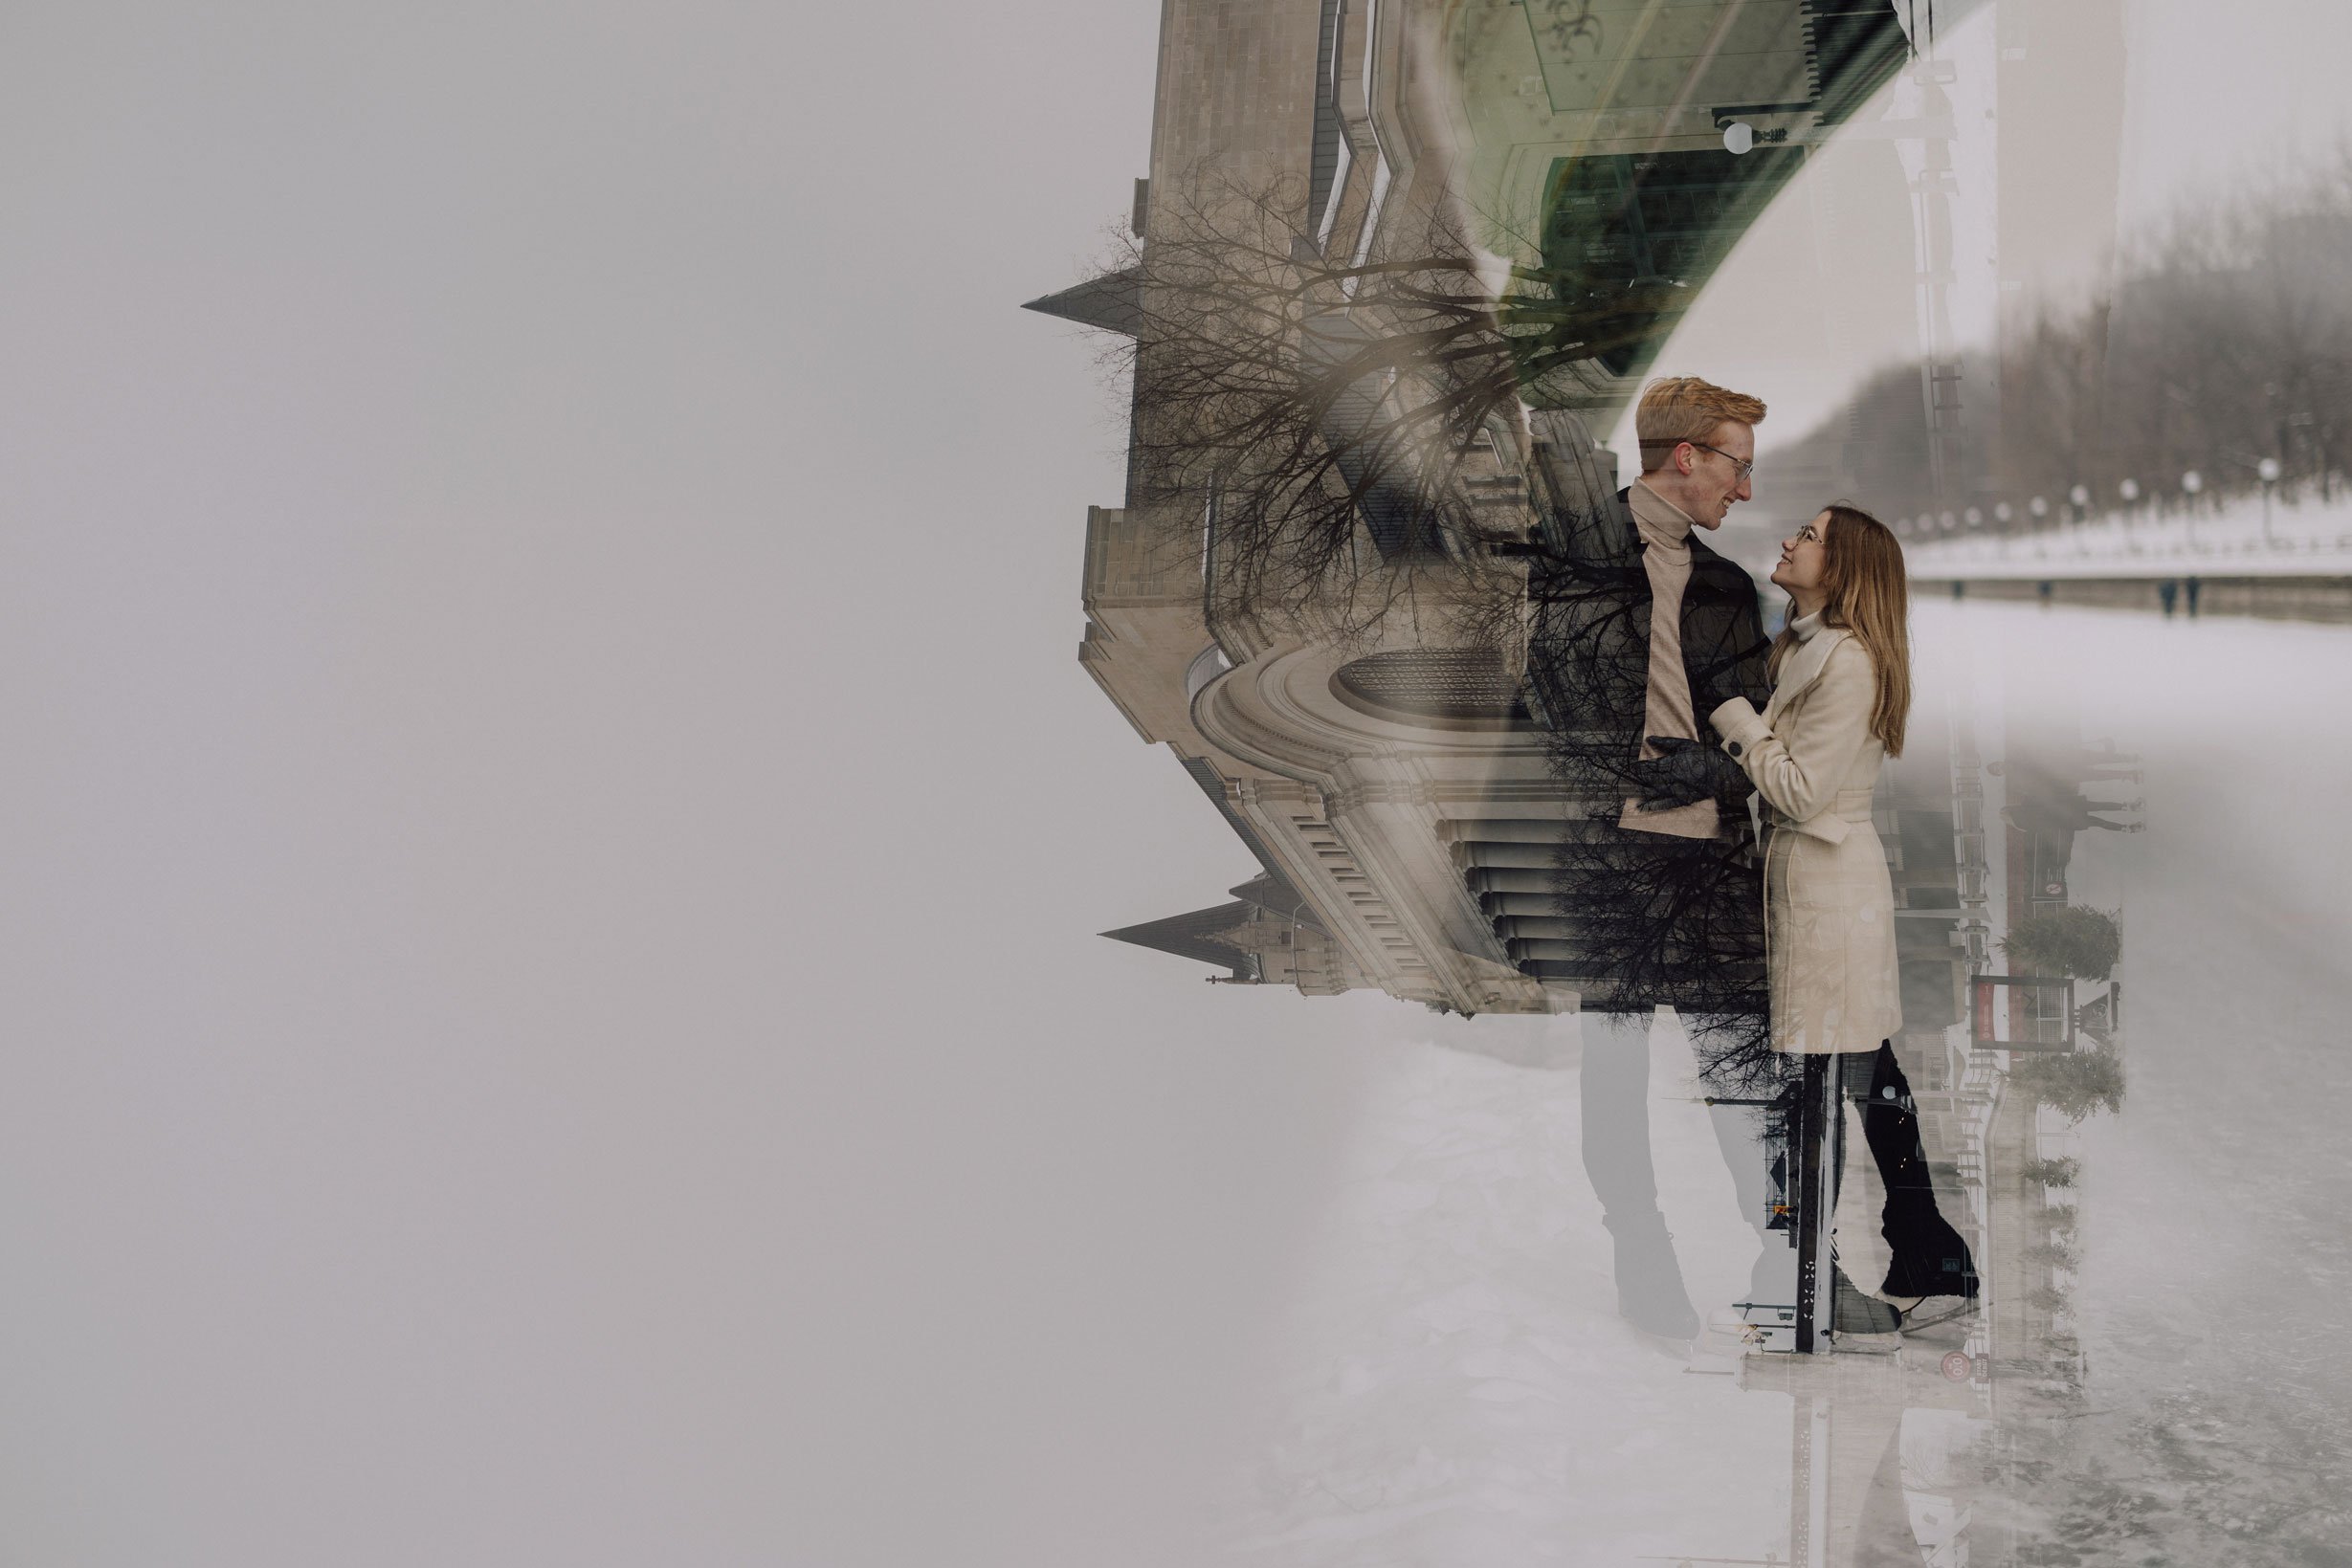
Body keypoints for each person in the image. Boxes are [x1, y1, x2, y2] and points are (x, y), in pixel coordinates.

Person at [1520, 377, 1782, 1341]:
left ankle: (1779, 1251)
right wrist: (1617, 779)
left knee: (1743, 1073)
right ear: (1685, 458)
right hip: (1604, 863)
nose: (1743, 491)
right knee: (1616, 1072)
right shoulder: (1558, 567)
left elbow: (1764, 744)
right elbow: (1527, 717)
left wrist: (1706, 771)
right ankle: (1638, 1245)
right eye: (1736, 467)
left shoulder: (1724, 588)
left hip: (1711, 864)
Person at [1682, 504, 1977, 1321]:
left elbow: (1803, 791)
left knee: (1825, 1082)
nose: (1788, 540)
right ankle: (1921, 1257)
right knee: (1856, 1074)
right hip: (1816, 884)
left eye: (1808, 536)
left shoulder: (1846, 663)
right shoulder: (1811, 649)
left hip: (1826, 889)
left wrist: (1737, 720)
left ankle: (1821, 1273)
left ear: (1842, 568)